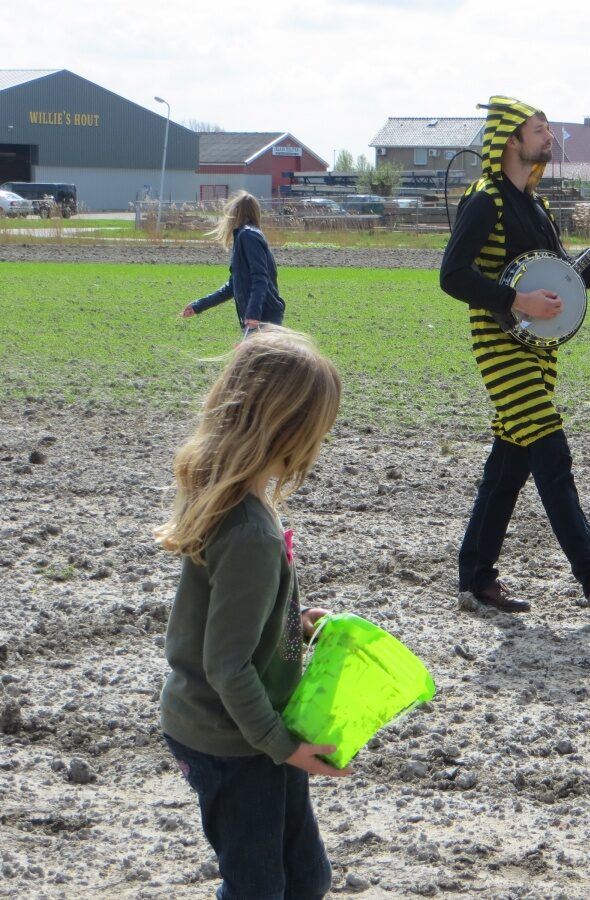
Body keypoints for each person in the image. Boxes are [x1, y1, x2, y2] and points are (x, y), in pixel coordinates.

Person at [155, 327, 348, 897]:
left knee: (306, 878)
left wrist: (297, 622)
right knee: (257, 888)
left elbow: (240, 617)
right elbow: (227, 664)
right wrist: (283, 747)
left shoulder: (239, 500)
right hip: (232, 739)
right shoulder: (249, 532)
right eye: (320, 430)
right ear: (290, 432)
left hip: (255, 730)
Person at [439, 95, 590, 613]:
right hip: (500, 346)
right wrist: (515, 300)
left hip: (538, 348)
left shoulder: (537, 204)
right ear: (511, 139)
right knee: (551, 450)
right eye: (539, 129)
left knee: (509, 464)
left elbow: (561, 282)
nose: (549, 137)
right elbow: (452, 275)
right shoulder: (485, 200)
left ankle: (476, 577)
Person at [180, 190, 285, 332]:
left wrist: (254, 314)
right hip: (259, 318)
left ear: (235, 213)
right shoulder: (246, 236)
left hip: (262, 320)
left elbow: (260, 278)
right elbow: (232, 286)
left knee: (252, 355)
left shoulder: (248, 236)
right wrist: (198, 305)